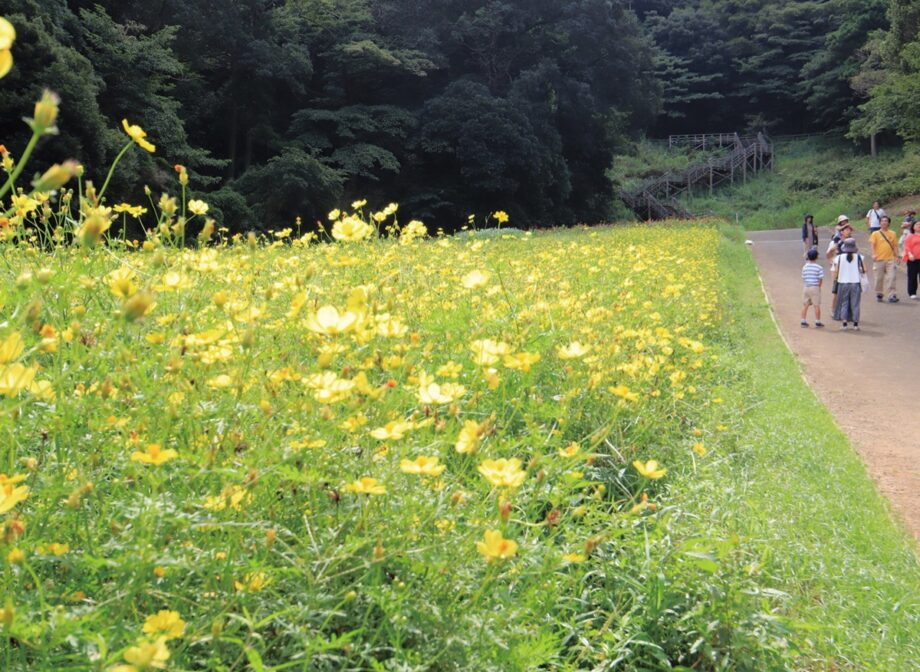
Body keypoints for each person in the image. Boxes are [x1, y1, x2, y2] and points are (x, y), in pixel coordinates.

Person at [832, 238, 866, 331]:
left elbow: (836, 271)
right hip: (855, 283)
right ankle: (855, 324)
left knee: (844, 303)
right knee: (855, 304)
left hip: (843, 283)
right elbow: (864, 270)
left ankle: (844, 324)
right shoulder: (859, 257)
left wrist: (836, 278)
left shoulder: (839, 258)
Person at [869, 215, 900, 303]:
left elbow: (895, 246)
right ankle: (879, 293)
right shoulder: (875, 233)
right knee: (879, 278)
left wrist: (897, 256)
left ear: (888, 223)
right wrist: (873, 254)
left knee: (892, 277)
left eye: (886, 221)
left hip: (890, 259)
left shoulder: (892, 233)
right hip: (879, 259)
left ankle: (892, 294)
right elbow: (872, 245)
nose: (884, 222)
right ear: (880, 223)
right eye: (882, 221)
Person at [800, 247, 825, 328]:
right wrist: (819, 287)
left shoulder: (805, 267)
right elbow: (820, 279)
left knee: (805, 305)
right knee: (816, 305)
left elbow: (803, 277)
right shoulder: (819, 267)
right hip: (815, 287)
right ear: (816, 257)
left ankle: (803, 320)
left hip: (806, 287)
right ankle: (817, 321)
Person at [902, 220, 920, 299]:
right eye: (917, 224)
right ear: (913, 226)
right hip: (913, 260)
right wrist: (909, 254)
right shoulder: (910, 236)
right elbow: (907, 247)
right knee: (912, 276)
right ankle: (912, 292)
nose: (919, 225)